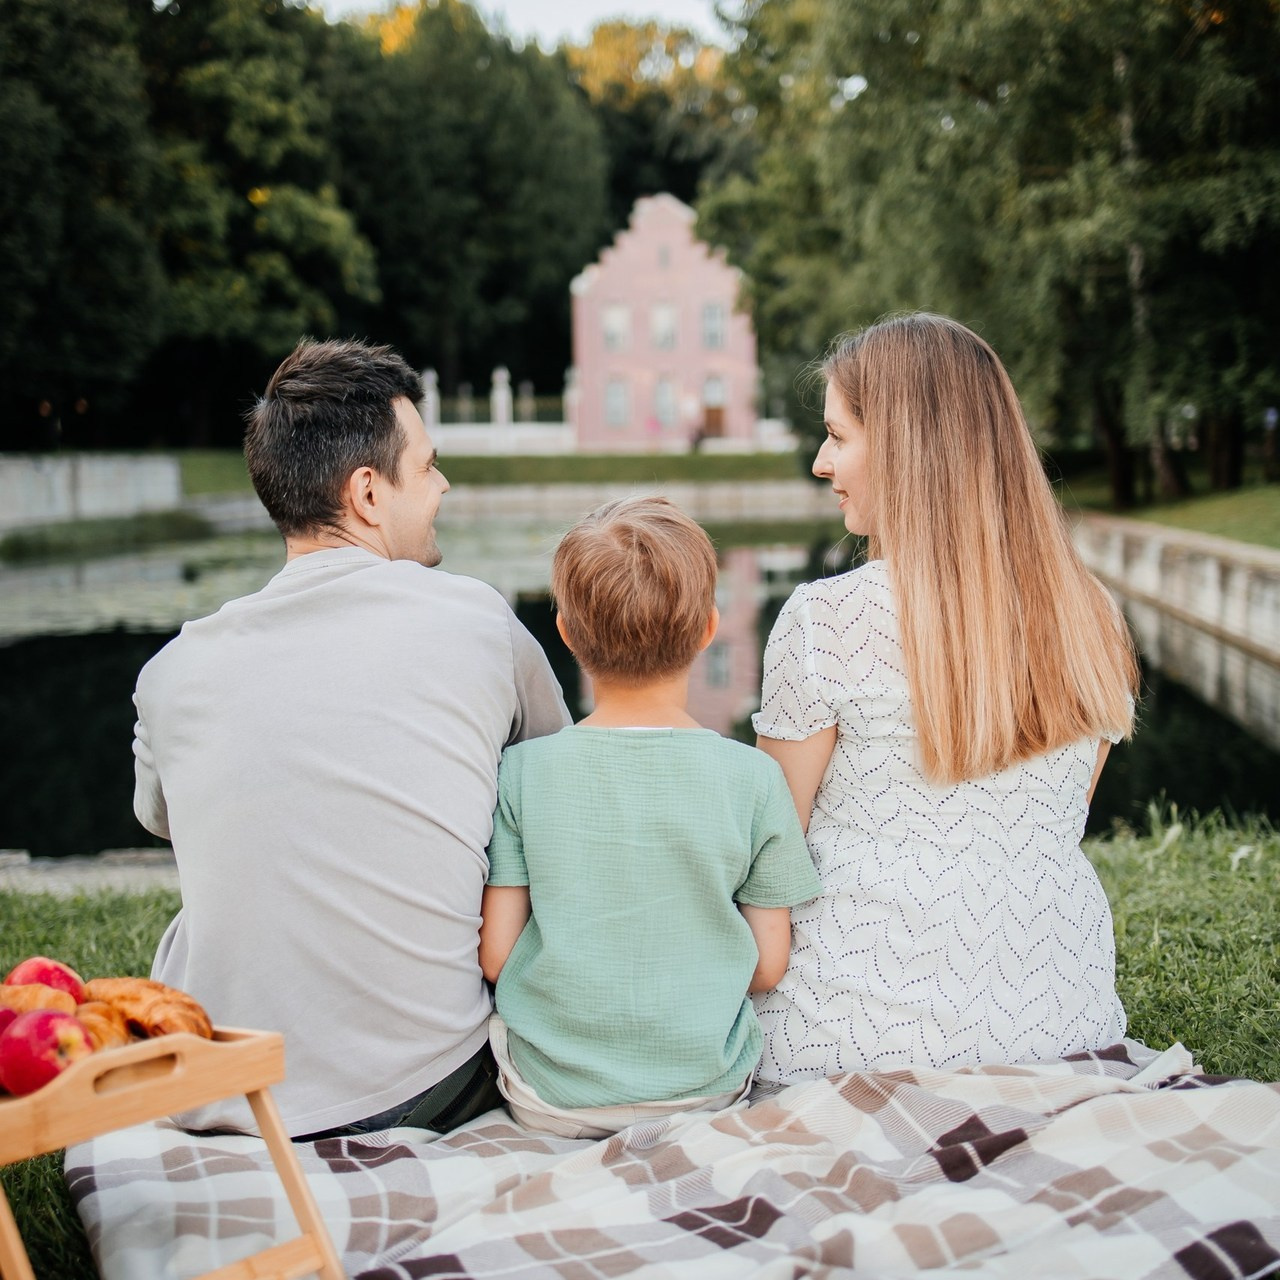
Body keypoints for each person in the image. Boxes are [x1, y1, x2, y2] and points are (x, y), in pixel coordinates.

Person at [132, 337, 570, 1139]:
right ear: (368, 493)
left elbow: (167, 820)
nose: (442, 485)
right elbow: (565, 789)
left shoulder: (170, 672)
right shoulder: (479, 622)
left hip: (231, 1097)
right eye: (428, 466)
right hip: (431, 1085)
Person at [752, 313, 1139, 1085]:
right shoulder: (1091, 613)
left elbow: (769, 857)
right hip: (1061, 1025)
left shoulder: (825, 621)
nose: (823, 462)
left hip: (846, 1043)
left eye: (838, 435)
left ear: (900, 447)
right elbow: (1053, 830)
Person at [478, 497, 821, 1138]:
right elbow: (769, 966)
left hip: (550, 1096)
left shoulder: (521, 773)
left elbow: (497, 956)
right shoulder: (754, 779)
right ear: (709, 628)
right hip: (704, 1091)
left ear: (568, 633)